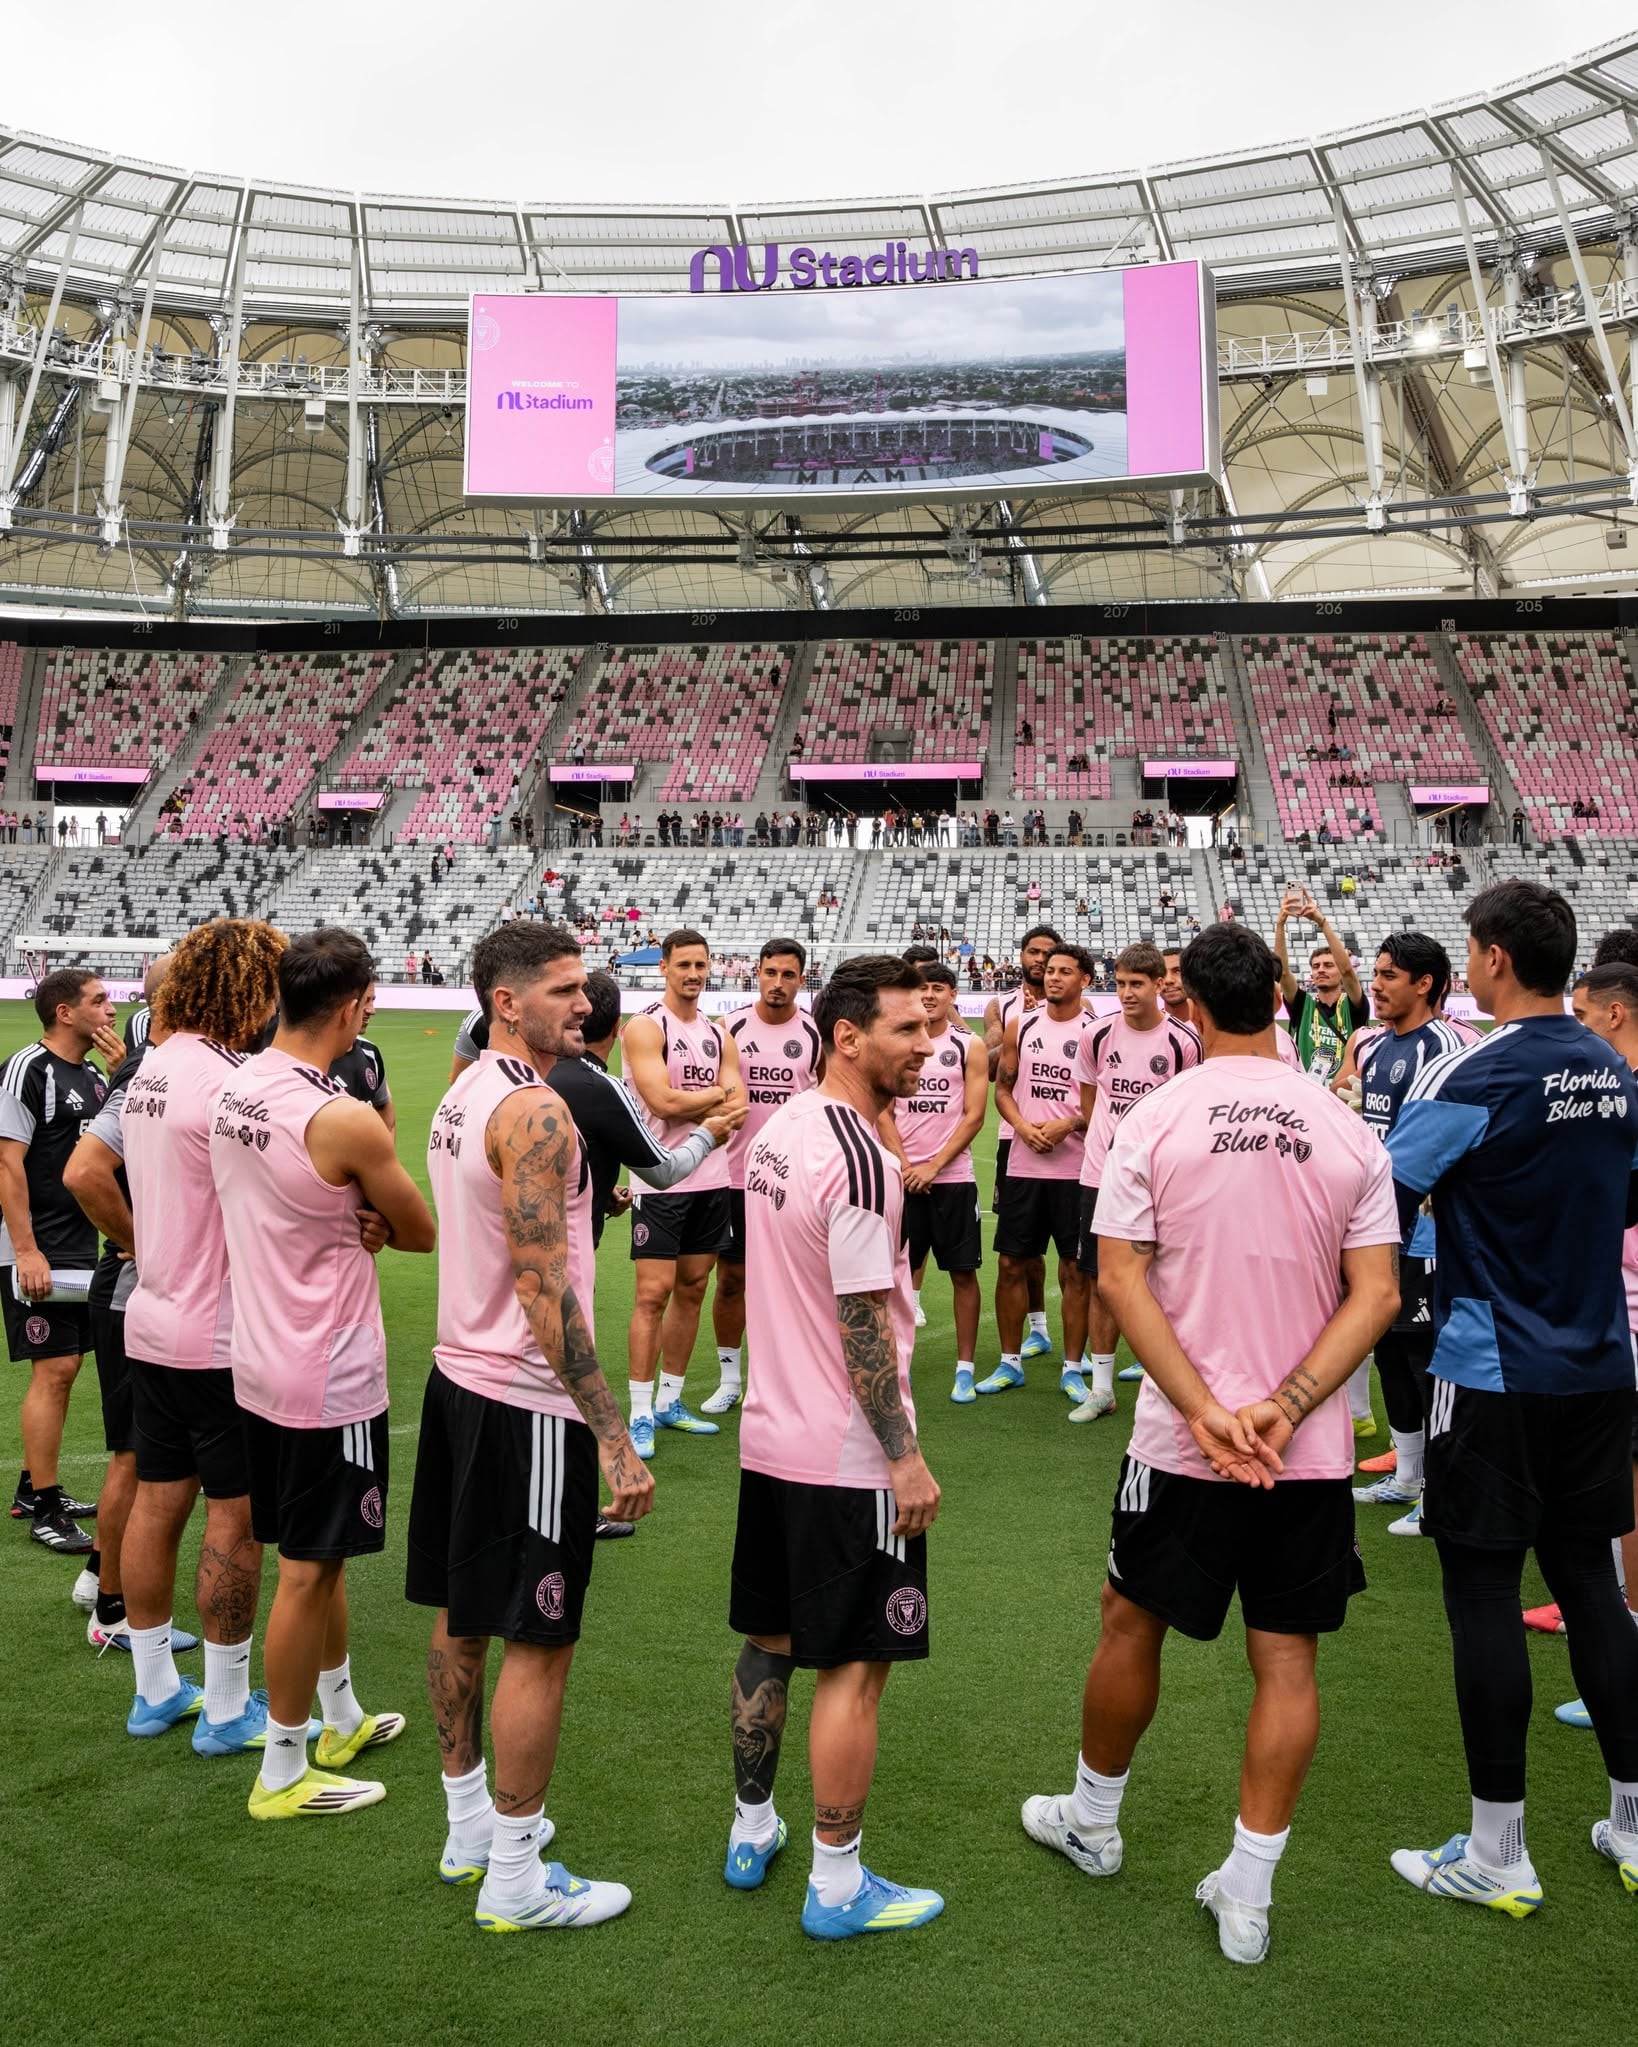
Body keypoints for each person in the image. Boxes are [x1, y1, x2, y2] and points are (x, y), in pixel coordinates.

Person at [1023, 922, 1400, 1964]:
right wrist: (1287, 1401)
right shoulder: (1344, 1124)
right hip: (1304, 1444)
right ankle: (1251, 1886)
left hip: (1185, 1442)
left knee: (1129, 1622)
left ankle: (1094, 1821)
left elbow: (1119, 1279)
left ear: (1186, 999)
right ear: (1280, 995)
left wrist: (1199, 1409)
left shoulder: (1156, 1119)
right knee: (1287, 1655)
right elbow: (1377, 1294)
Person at [1383, 882, 1638, 1916]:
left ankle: (1498, 1849)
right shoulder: (1616, 1069)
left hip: (1491, 1366)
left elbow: (1382, 1193)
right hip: (1599, 1361)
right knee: (1593, 1585)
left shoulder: (1473, 1068)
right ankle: (1631, 1819)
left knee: (1482, 1592)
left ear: (1489, 959)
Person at [408, 922, 652, 1931]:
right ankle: (515, 1878)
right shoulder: (538, 1110)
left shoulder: (462, 1091)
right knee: (537, 1641)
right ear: (507, 1001)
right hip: (524, 1399)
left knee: (464, 1614)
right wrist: (611, 1430)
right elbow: (545, 1287)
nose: (583, 1002)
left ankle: (469, 1827)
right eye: (559, 990)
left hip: (458, 1384)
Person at [722, 954, 944, 1938]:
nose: (926, 1045)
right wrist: (903, 1455)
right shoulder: (859, 1154)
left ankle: (750, 1827)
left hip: (772, 1437)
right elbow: (862, 1320)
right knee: (855, 1665)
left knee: (768, 1638)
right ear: (849, 1035)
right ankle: (840, 1883)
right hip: (847, 1456)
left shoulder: (786, 1128)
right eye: (905, 1029)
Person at [210, 928, 436, 1818]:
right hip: (327, 1369)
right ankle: (283, 1769)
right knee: (307, 1569)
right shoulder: (336, 1112)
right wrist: (371, 1218)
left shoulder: (238, 1085)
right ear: (347, 1008)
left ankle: (336, 1713)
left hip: (260, 1356)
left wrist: (357, 1215)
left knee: (319, 1557)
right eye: (369, 1000)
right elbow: (417, 1228)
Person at [117, 919, 289, 1752]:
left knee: (159, 1496)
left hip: (153, 1316)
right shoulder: (231, 1081)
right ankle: (225, 1706)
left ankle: (155, 1689)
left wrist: (144, 1243)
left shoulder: (152, 1064)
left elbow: (91, 1166)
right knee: (237, 1514)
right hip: (220, 1333)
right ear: (250, 990)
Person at [62, 958, 189, 1650]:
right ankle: (112, 1611)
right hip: (136, 1285)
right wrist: (145, 1244)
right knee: (138, 1459)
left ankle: (98, 1576)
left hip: (131, 1283)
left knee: (137, 1454)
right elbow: (83, 1171)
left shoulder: (151, 1066)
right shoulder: (153, 1072)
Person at [1340, 934, 1468, 1533]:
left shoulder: (1444, 1047)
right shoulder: (1375, 1045)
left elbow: (1448, 1138)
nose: (1378, 984)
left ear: (1425, 983)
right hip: (1379, 1225)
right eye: (1377, 973)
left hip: (1423, 1234)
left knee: (1423, 1355)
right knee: (1389, 1347)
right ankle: (1409, 1476)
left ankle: (1442, 1491)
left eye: (1390, 975)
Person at [1, 967, 120, 1552]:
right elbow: (7, 1165)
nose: (111, 1008)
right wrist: (25, 1249)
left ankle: (33, 1486)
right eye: (99, 1001)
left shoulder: (96, 1076)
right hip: (34, 1247)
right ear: (65, 1012)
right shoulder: (28, 1069)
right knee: (55, 1370)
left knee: (68, 1367)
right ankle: (45, 1508)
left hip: (79, 1246)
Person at [622, 930, 743, 1453]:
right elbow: (661, 1101)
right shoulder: (646, 1027)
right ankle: (640, 1409)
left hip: (712, 1178)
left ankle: (671, 1399)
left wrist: (711, 1101)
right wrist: (717, 1096)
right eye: (683, 965)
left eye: (701, 964)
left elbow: (738, 1112)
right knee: (652, 1294)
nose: (693, 974)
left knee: (694, 1288)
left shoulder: (719, 1034)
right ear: (664, 968)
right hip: (660, 1178)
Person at [1070, 945, 1203, 1419]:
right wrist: (1109, 1147)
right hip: (1101, 1176)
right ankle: (1102, 1389)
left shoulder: (1183, 1042)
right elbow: (1090, 1099)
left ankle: (1162, 1380)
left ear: (1158, 986)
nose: (1126, 993)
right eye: (1120, 983)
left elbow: (1189, 1113)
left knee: (1165, 1280)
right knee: (1104, 1280)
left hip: (1162, 1180)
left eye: (1137, 984)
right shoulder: (1096, 1034)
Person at [706, 940, 823, 1417]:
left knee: (794, 1283)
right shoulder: (728, 1027)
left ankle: (783, 1378)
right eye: (770, 973)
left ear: (802, 978)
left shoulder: (815, 1033)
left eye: (788, 975)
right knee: (731, 1279)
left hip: (793, 1179)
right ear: (756, 973)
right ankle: (730, 1378)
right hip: (734, 1177)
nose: (778, 983)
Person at [982, 944, 1098, 1399]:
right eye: (1050, 971)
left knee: (1074, 1270)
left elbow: (1105, 1104)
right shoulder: (1020, 1025)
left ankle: (1072, 1367)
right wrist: (1022, 1127)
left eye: (1065, 972)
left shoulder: (1098, 1031)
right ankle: (1011, 1362)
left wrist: (1070, 1122)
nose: (1053, 978)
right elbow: (1003, 1090)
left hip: (1076, 1169)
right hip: (1024, 1165)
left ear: (1085, 980)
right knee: (1011, 1263)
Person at [884, 962, 987, 1402]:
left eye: (938, 988)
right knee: (895, 1276)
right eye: (922, 987)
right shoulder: (896, 1042)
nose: (929, 995)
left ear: (952, 995)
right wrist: (907, 1165)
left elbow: (975, 1115)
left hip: (953, 1179)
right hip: (902, 1178)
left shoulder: (969, 1044)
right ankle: (896, 1363)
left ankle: (964, 1368)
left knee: (963, 1274)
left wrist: (933, 1167)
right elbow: (883, 1111)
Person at [982, 927, 1062, 1364]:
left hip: (1066, 1141)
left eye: (1048, 955)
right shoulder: (1002, 1005)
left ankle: (1064, 1341)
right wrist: (1017, 1030)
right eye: (1033, 952)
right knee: (1021, 1248)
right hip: (1014, 1137)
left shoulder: (1079, 1008)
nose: (1040, 960)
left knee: (1069, 1251)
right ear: (1022, 956)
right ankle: (1037, 1329)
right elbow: (990, 1068)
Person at [1274, 889, 1368, 1083]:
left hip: (1343, 1094)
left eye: (1328, 965)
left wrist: (1322, 922)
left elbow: (1348, 972)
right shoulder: (1303, 1004)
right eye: (1316, 966)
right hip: (1306, 1092)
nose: (1320, 970)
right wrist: (1280, 924)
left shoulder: (1352, 1006)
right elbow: (1282, 973)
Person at [327, 984, 395, 1135]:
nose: (372, 1010)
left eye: (373, 1001)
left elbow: (385, 1112)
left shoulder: (370, 1053)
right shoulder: (312, 1058)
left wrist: (384, 1157)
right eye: (366, 1001)